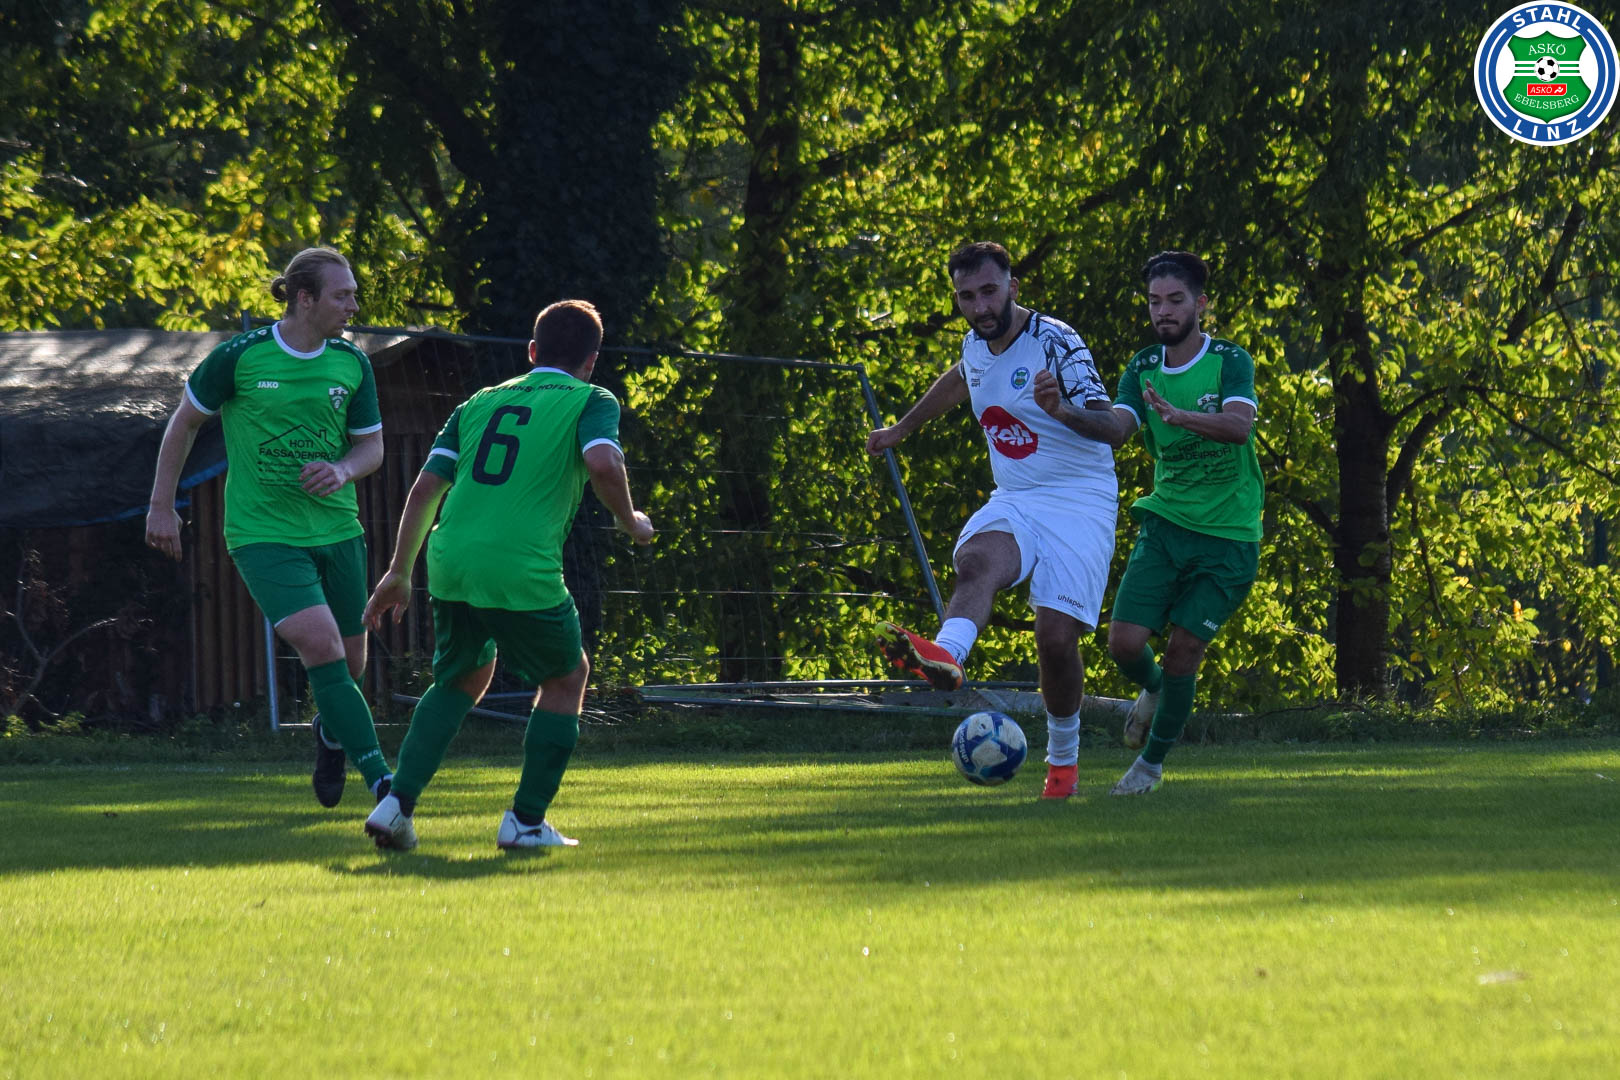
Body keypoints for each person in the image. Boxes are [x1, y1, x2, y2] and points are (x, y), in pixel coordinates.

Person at [361, 299, 655, 852]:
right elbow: (603, 462)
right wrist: (630, 519)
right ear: (591, 361)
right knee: (567, 677)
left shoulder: (478, 402)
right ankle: (525, 821)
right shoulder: (592, 399)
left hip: (450, 559)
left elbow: (425, 488)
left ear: (532, 351)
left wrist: (399, 571)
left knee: (460, 679)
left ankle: (395, 804)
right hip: (519, 564)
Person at [866, 241, 1119, 800]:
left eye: (989, 291)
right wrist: (902, 429)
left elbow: (1113, 429)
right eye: (966, 296)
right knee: (979, 560)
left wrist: (1060, 410)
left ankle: (1062, 766)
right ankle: (946, 656)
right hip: (1017, 495)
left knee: (1055, 640)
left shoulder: (1056, 341)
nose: (980, 307)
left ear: (1012, 287)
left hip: (1080, 499)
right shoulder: (974, 343)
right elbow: (963, 377)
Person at [146, 247, 393, 808]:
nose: (353, 305)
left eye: (353, 295)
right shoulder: (241, 357)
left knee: (351, 666)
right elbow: (184, 423)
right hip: (263, 535)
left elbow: (372, 447)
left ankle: (331, 734)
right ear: (304, 299)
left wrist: (342, 469)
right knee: (323, 646)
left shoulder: (352, 364)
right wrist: (161, 505)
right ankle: (385, 783)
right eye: (342, 295)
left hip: (339, 531)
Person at [1031, 250, 1261, 796]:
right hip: (1165, 525)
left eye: (1175, 300)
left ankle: (1149, 767)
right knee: (1124, 645)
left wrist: (1182, 417)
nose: (1164, 311)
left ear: (1200, 304)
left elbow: (1238, 427)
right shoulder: (1143, 366)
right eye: (1155, 301)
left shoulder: (1229, 360)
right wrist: (1062, 412)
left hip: (1229, 536)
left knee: (1184, 650)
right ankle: (1154, 689)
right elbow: (1117, 428)